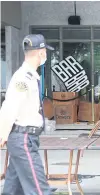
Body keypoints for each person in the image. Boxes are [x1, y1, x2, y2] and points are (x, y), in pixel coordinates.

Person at [0, 34, 54, 195]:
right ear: (41, 53)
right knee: (39, 190)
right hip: (23, 139)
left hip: (25, 139)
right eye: (45, 51)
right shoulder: (23, 77)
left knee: (13, 190)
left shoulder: (30, 76)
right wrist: (2, 133)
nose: (45, 55)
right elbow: (9, 106)